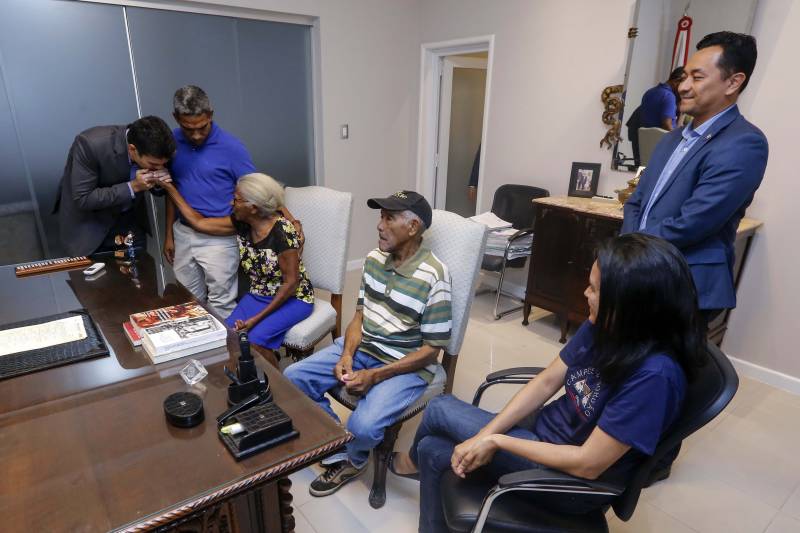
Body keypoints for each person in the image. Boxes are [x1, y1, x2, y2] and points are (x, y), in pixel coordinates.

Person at [389, 233, 706, 532]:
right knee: (432, 449)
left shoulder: (654, 376)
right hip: (543, 434)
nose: (586, 294)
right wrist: (485, 436)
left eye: (596, 289)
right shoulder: (606, 325)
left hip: (569, 482)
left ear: (631, 304)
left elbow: (588, 465)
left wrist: (498, 441)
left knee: (441, 408)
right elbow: (546, 382)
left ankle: (409, 463)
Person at [284, 191, 452, 497]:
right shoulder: (374, 260)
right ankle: (336, 444)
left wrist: (376, 375)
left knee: (363, 427)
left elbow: (432, 350)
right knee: (292, 379)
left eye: (389, 218)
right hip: (364, 349)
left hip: (406, 365)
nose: (379, 225)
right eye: (380, 216)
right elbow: (360, 316)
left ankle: (355, 458)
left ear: (413, 227)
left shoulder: (434, 276)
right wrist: (346, 353)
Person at [622, 31, 768, 325]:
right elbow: (637, 201)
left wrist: (631, 254)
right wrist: (624, 255)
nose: (683, 87)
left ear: (733, 82)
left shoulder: (744, 143)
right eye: (684, 76)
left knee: (661, 369)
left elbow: (694, 222)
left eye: (697, 78)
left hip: (684, 284)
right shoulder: (669, 139)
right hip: (638, 272)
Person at [160, 173, 313, 355]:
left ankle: (270, 382)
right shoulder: (242, 223)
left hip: (293, 299)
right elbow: (198, 222)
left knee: (252, 341)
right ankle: (248, 378)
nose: (231, 204)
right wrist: (170, 189)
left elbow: (291, 283)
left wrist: (255, 319)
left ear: (253, 207)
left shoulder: (282, 232)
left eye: (237, 200)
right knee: (227, 335)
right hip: (258, 295)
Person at [164, 85, 257, 318]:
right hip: (183, 233)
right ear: (176, 118)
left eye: (202, 127)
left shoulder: (232, 148)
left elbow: (255, 192)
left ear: (211, 115)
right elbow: (171, 191)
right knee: (187, 303)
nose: (196, 135)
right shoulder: (171, 143)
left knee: (221, 304)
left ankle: (228, 354)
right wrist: (169, 235)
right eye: (188, 129)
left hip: (220, 237)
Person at [54, 116, 175, 257]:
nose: (159, 168)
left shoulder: (158, 146)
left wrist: (159, 182)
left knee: (142, 276)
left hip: (131, 225)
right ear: (132, 149)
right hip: (90, 228)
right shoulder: (90, 144)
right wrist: (132, 187)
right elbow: (83, 198)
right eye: (153, 165)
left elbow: (158, 188)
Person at [626, 67, 684, 165]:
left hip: (643, 142)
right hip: (660, 148)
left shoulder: (650, 92)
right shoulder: (669, 96)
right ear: (676, 82)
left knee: (640, 171)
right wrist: (679, 142)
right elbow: (667, 124)